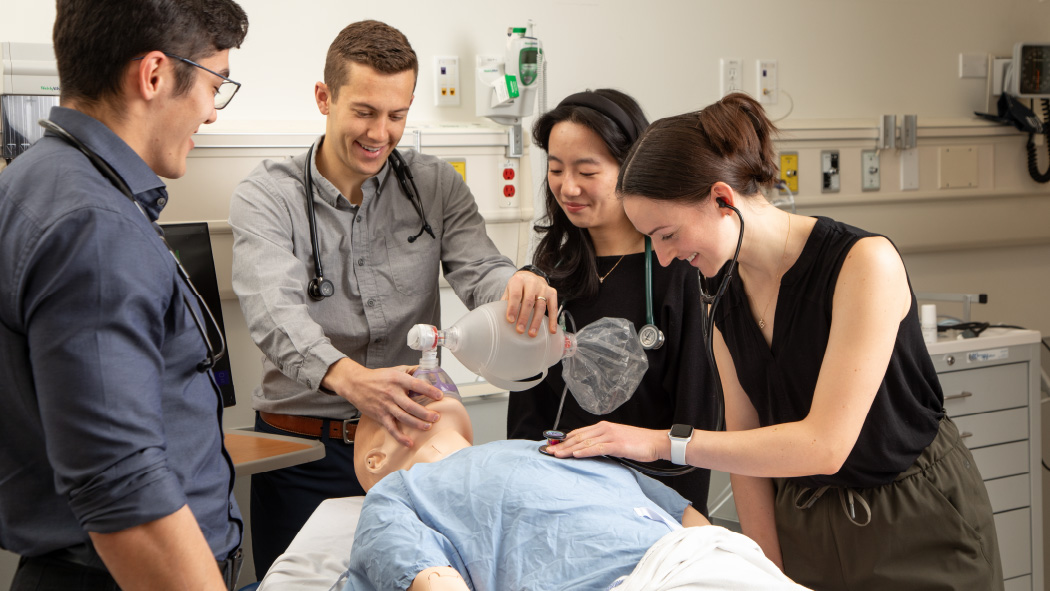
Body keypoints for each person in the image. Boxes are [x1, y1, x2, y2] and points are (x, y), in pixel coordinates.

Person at [551, 92, 1003, 591]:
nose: (663, 258)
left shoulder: (863, 263)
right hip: (804, 516)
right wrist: (766, 571)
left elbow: (824, 445)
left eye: (667, 234)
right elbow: (745, 448)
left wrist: (660, 443)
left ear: (723, 199)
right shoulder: (718, 290)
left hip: (913, 514)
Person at [228, 19, 556, 576]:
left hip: (412, 448)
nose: (381, 132)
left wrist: (517, 286)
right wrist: (351, 379)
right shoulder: (268, 195)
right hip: (304, 450)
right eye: (364, 111)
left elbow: (480, 269)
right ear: (324, 98)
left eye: (397, 115)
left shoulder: (435, 185)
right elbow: (273, 311)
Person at [0, 1, 249, 589]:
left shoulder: (33, 181)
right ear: (155, 75)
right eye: (215, 85)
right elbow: (121, 485)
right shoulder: (95, 224)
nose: (212, 114)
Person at [346, 392, 810, 591]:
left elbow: (689, 522)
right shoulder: (396, 493)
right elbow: (432, 580)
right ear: (373, 460)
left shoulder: (552, 446)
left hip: (706, 562)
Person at [506, 89, 719, 512]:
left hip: (650, 506)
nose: (569, 188)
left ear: (630, 167)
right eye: (555, 169)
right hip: (555, 498)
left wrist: (682, 523)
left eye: (587, 171)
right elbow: (527, 409)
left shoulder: (680, 270)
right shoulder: (550, 272)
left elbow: (695, 417)